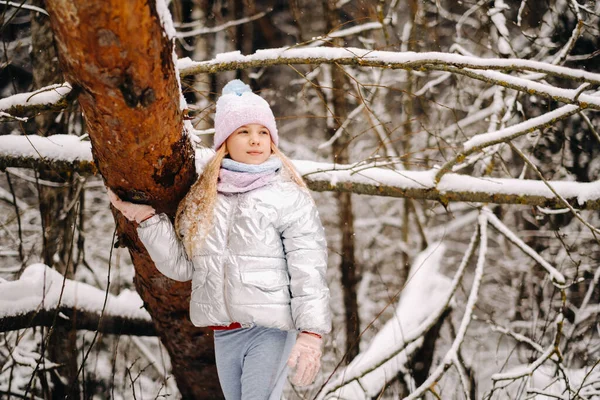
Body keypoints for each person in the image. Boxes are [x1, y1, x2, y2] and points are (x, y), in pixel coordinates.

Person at [107, 79, 331, 400]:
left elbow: (307, 267)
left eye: (263, 132)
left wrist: (310, 333)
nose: (255, 140)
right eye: (244, 131)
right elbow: (184, 267)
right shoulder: (203, 197)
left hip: (271, 330)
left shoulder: (287, 196)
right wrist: (147, 221)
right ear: (225, 140)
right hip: (225, 334)